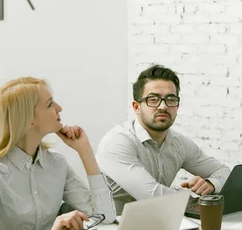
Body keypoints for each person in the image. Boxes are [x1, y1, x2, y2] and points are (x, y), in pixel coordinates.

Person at [0, 77, 115, 230]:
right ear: (28, 118)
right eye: (50, 104)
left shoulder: (56, 164)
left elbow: (105, 216)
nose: (59, 108)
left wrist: (84, 150)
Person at [96, 65, 231, 213]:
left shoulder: (179, 143)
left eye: (170, 99)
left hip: (161, 222)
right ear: (136, 107)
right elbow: (153, 196)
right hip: (111, 229)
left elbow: (224, 172)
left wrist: (211, 184)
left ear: (177, 106)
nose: (163, 106)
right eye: (153, 99)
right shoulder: (117, 142)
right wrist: (197, 195)